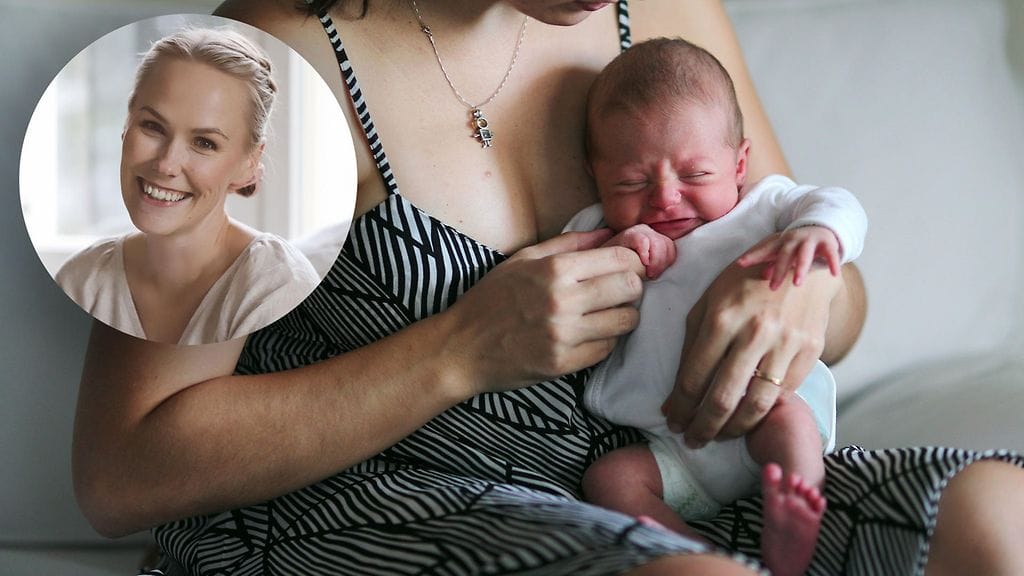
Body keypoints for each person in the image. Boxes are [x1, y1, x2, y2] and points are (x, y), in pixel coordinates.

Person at [68, 2, 1024, 576]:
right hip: (370, 515)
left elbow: (840, 310)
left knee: (997, 519)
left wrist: (800, 295)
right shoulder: (272, 63)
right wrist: (457, 351)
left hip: (678, 482)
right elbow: (120, 474)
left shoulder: (668, 15)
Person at [573, 37, 867, 576]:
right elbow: (571, 279)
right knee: (609, 479)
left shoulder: (765, 205)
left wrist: (820, 233)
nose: (664, 198)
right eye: (631, 182)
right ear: (596, 176)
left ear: (739, 164)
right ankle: (693, 551)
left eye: (695, 176)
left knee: (790, 420)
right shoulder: (599, 230)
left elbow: (838, 201)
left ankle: (797, 508)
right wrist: (621, 251)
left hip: (762, 409)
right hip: (676, 452)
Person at [55, 27, 320, 345]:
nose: (166, 164)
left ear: (249, 162)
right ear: (127, 125)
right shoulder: (81, 280)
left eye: (205, 143)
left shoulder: (278, 287)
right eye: (152, 126)